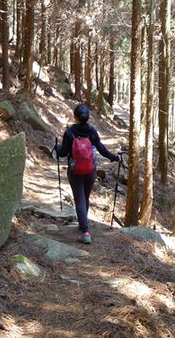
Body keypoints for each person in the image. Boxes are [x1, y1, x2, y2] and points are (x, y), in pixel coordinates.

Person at [53, 104, 121, 244]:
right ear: (88, 117)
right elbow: (102, 149)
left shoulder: (70, 132)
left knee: (79, 199)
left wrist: (56, 148)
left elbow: (63, 153)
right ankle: (83, 224)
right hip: (91, 170)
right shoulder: (92, 132)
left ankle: (85, 232)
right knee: (85, 197)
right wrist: (115, 157)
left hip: (75, 171)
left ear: (75, 117)